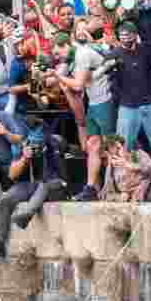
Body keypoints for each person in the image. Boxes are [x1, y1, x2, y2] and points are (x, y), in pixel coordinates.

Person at [0, 118, 67, 259]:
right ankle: (0, 244)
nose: (36, 147)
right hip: (32, 184)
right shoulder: (25, 145)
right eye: (34, 144)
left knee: (44, 184)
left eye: (39, 144)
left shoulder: (54, 143)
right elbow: (12, 175)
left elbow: (62, 175)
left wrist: (47, 150)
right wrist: (25, 159)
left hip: (53, 183)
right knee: (6, 199)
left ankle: (26, 214)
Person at [62, 16, 115, 201]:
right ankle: (91, 187)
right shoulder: (79, 53)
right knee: (92, 146)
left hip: (105, 101)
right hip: (91, 103)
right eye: (79, 29)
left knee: (110, 146)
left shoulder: (95, 50)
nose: (81, 32)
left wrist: (58, 76)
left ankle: (113, 185)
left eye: (85, 29)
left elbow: (79, 84)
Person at [109, 21, 151, 165]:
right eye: (122, 36)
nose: (125, 38)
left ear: (135, 35)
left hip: (150, 102)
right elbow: (105, 78)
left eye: (128, 35)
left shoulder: (145, 50)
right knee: (123, 145)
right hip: (127, 105)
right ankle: (123, 173)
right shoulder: (114, 54)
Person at [99, 134, 151, 202]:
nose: (116, 153)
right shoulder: (111, 167)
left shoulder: (137, 154)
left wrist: (131, 165)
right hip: (132, 195)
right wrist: (120, 196)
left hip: (149, 188)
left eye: (118, 148)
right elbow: (105, 194)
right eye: (111, 152)